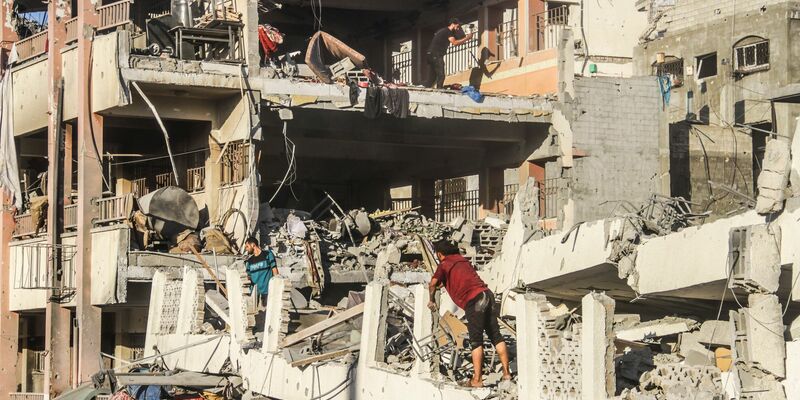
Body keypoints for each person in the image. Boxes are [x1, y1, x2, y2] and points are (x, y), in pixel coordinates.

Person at [428, 240, 512, 388]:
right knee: (496, 336)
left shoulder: (444, 264)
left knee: (476, 341)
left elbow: (433, 283)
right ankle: (507, 375)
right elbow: (455, 279)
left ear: (439, 254)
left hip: (474, 302)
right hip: (487, 295)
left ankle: (477, 380)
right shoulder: (462, 260)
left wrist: (431, 300)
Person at [425, 18, 474, 88]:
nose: (458, 29)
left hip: (430, 55)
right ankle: (440, 91)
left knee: (432, 77)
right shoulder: (447, 31)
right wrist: (467, 38)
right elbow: (455, 42)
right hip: (435, 54)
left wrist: (466, 34)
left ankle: (427, 89)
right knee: (441, 75)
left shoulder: (445, 31)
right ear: (453, 24)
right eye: (458, 26)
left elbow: (458, 38)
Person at [244, 237, 279, 307]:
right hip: (254, 294)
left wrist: (277, 285)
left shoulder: (268, 254)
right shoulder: (249, 261)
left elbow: (274, 269)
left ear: (253, 245)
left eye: (247, 246)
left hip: (267, 292)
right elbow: (248, 277)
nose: (246, 249)